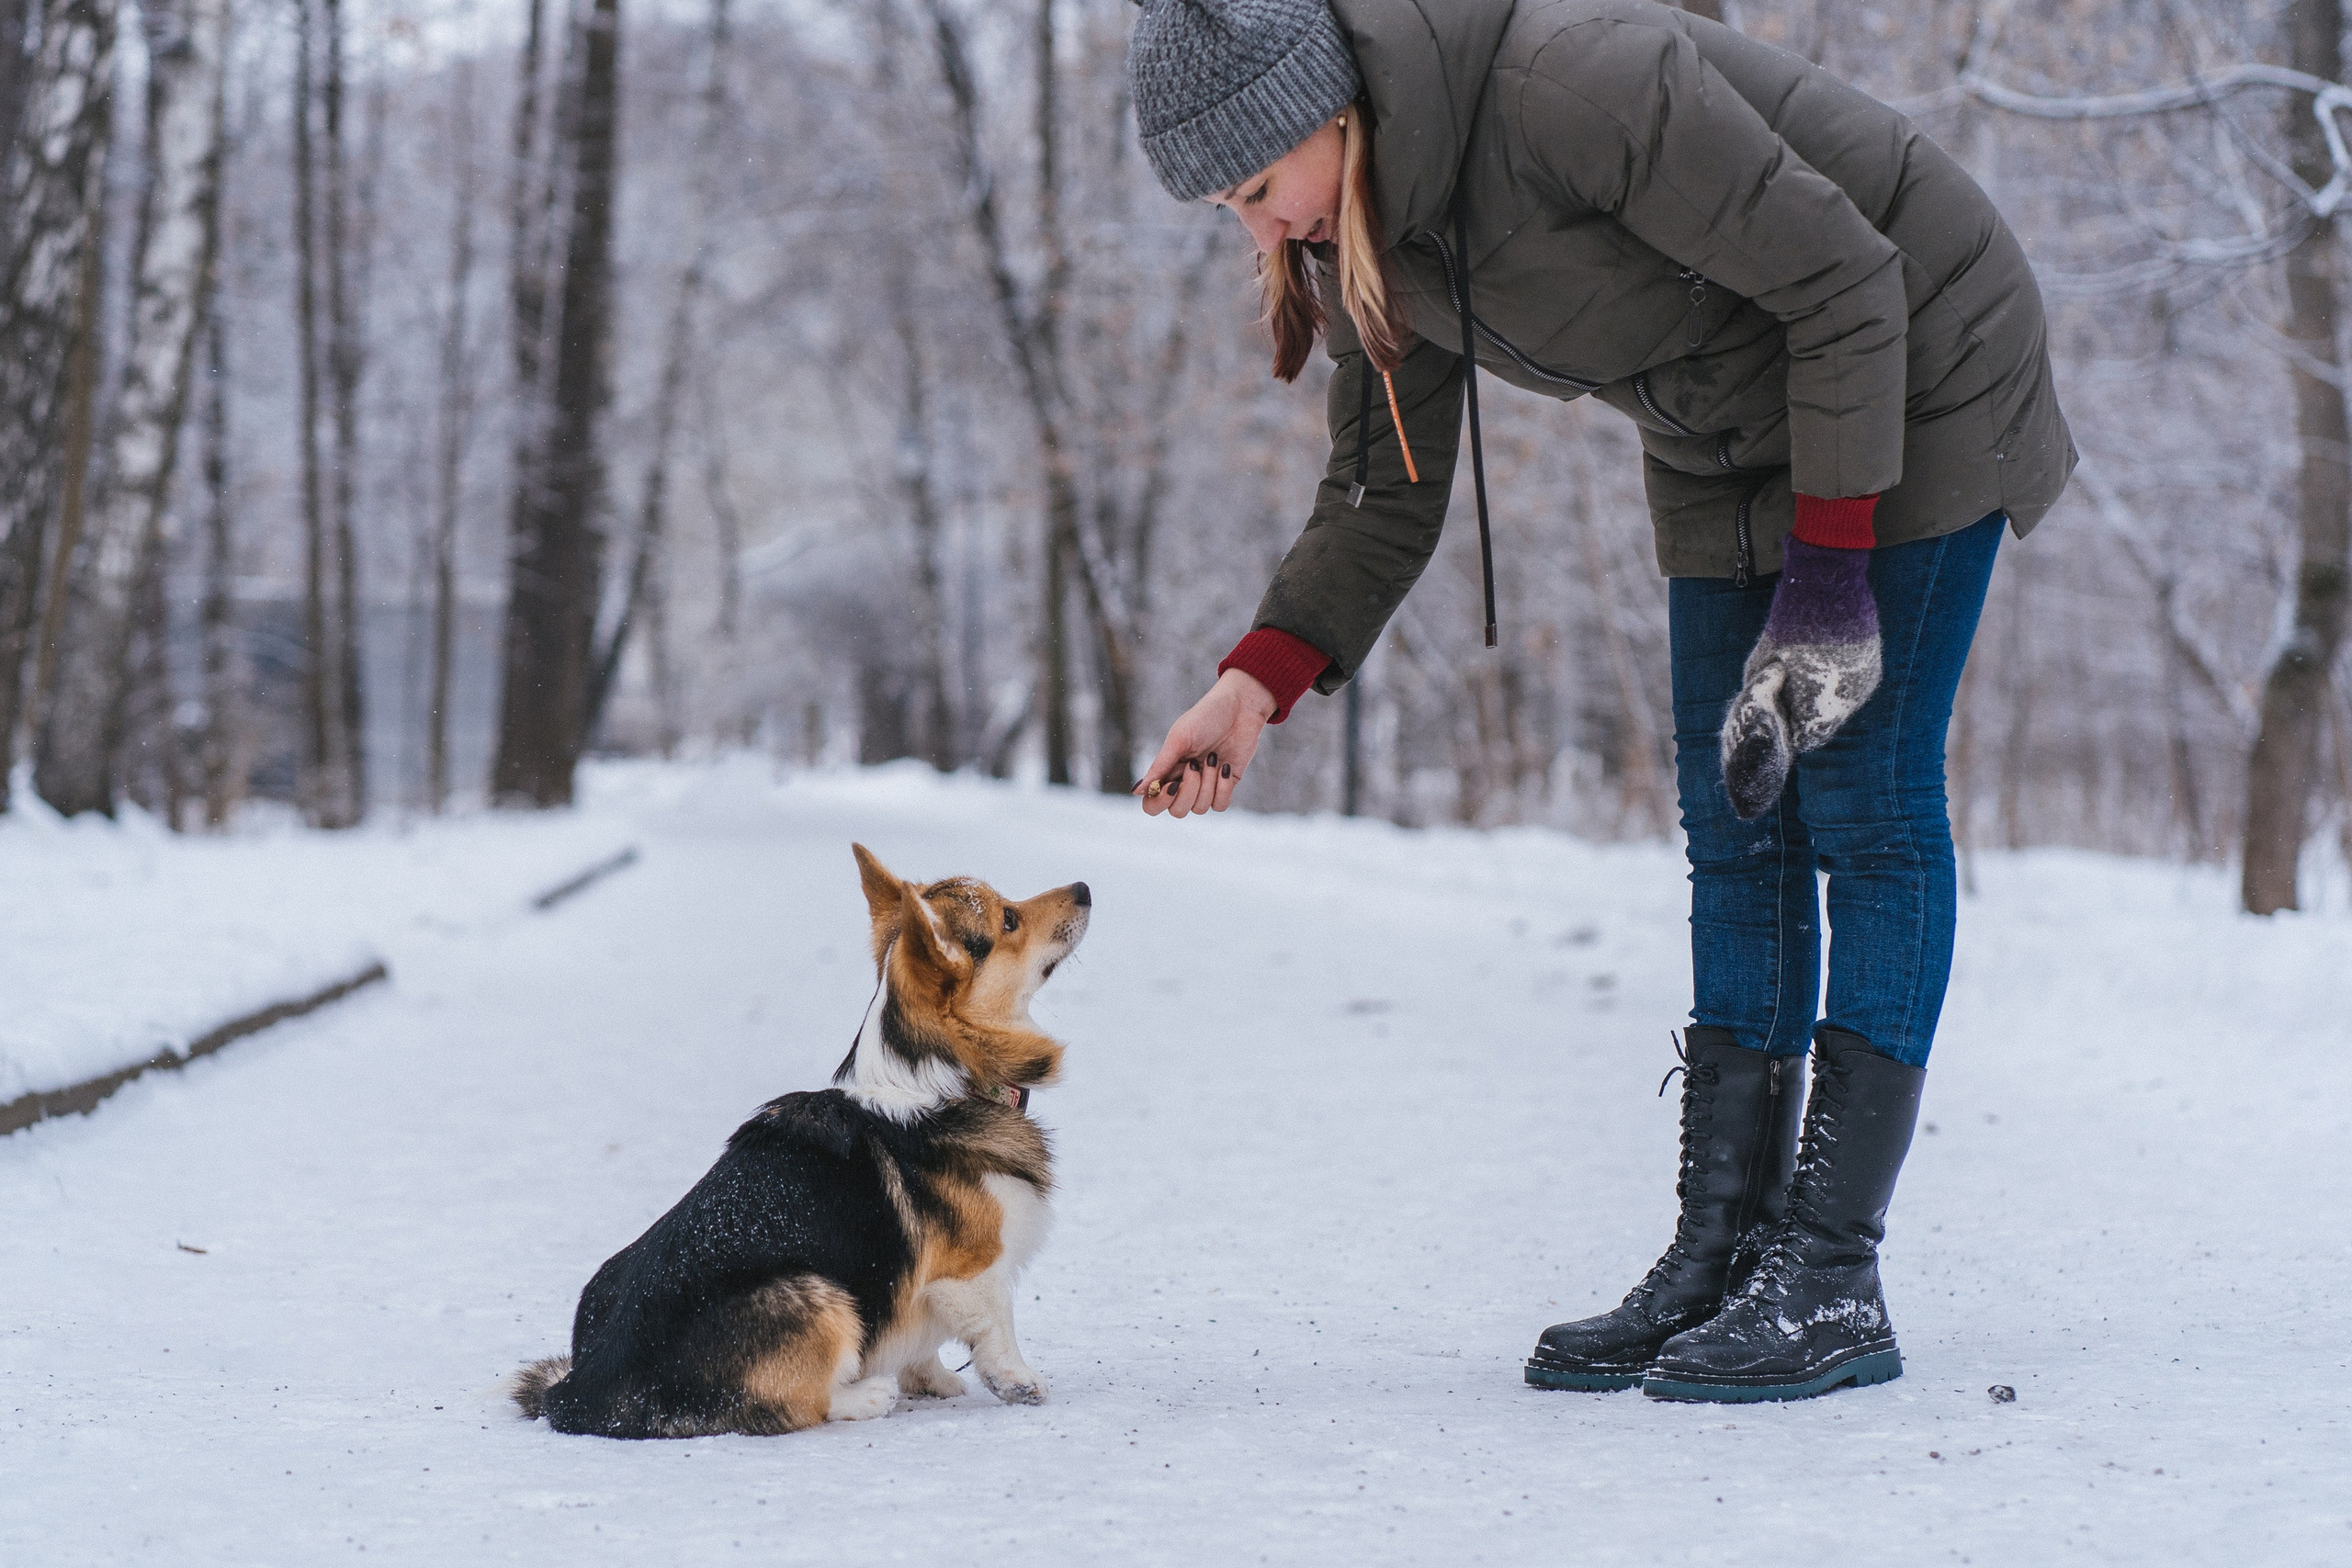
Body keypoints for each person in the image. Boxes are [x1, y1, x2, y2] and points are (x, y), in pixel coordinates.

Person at [1123, 0, 2074, 1404]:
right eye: (1229, 211)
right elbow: (1384, 490)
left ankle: (1828, 1273)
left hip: (1916, 369)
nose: (1261, 234)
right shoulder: (1377, 229)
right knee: (1733, 816)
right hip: (1721, 430)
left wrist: (1828, 585)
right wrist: (1251, 686)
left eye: (1259, 192)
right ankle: (1723, 1245)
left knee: (1861, 799)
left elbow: (1847, 283)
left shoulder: (1577, 86)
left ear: (1331, 108)